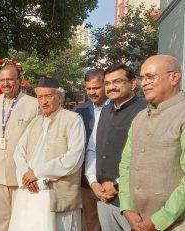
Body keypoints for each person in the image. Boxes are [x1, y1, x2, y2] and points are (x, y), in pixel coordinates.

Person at [9, 77, 85, 230]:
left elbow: (73, 159)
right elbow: (18, 152)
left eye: (48, 96)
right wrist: (26, 175)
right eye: (40, 97)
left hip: (55, 192)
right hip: (29, 190)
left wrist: (37, 173)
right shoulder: (35, 121)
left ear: (59, 97)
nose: (43, 101)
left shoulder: (73, 120)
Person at [120, 55, 185, 231]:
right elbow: (126, 164)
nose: (143, 83)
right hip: (137, 221)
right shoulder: (140, 118)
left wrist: (160, 219)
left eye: (150, 77)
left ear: (174, 77)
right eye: (142, 78)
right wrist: (126, 207)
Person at [0, 64, 40, 231]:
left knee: (21, 220)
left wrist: (34, 170)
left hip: (22, 173)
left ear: (19, 81)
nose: (5, 83)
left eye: (10, 79)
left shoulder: (33, 104)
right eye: (2, 79)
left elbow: (37, 141)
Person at [92, 64, 147, 231]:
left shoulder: (145, 110)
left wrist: (116, 185)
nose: (111, 87)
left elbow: (146, 157)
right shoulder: (104, 110)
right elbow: (93, 149)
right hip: (103, 196)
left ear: (133, 83)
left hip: (132, 200)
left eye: (117, 81)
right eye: (107, 83)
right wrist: (94, 183)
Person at [74, 69, 108, 231]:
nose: (92, 92)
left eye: (96, 88)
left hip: (112, 178)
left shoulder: (117, 108)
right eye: (88, 88)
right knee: (90, 220)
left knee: (110, 221)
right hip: (86, 178)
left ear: (105, 86)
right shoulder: (79, 111)